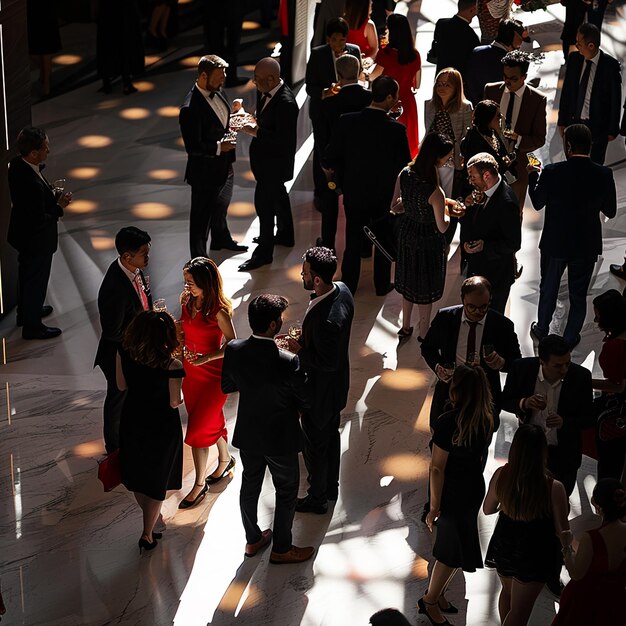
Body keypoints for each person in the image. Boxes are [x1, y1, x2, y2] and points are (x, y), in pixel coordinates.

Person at [221, 294, 314, 564]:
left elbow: (227, 386)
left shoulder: (235, 349)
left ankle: (253, 540)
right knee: (286, 491)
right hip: (280, 436)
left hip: (249, 432)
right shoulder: (287, 361)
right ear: (273, 325)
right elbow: (305, 399)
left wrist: (254, 386)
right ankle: (282, 548)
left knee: (249, 487)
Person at [528, 124, 617, 349]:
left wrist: (532, 177)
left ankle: (542, 329)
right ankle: (570, 337)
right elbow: (611, 211)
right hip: (586, 244)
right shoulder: (604, 174)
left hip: (555, 242)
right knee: (578, 294)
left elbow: (537, 203)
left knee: (548, 289)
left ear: (568, 146)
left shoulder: (552, 171)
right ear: (590, 145)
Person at [419, 365, 494, 626]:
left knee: (450, 553)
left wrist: (434, 507)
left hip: (452, 494)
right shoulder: (486, 419)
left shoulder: (448, 421)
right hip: (472, 490)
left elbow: (437, 467)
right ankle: (436, 596)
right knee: (452, 549)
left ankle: (429, 600)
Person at [323, 75, 411, 295]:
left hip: (354, 191)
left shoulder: (346, 121)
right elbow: (405, 166)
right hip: (383, 195)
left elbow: (329, 157)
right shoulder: (396, 130)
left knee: (353, 238)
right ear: (389, 97)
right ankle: (381, 285)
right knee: (382, 237)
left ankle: (349, 285)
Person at [285, 247, 354, 514]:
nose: (301, 275)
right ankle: (330, 486)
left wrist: (298, 350)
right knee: (330, 438)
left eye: (304, 272)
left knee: (315, 445)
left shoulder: (327, 320)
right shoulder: (343, 289)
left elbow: (326, 362)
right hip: (336, 388)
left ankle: (317, 498)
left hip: (320, 393)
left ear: (316, 279)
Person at [484, 424, 570, 626]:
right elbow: (562, 531)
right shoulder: (553, 487)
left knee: (507, 593)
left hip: (505, 542)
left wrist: (508, 503)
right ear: (542, 452)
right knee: (521, 612)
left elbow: (488, 509)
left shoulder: (501, 475)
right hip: (535, 552)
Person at [116, 311, 184, 553]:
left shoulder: (123, 353)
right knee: (157, 478)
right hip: (161, 426)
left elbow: (121, 385)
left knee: (137, 475)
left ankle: (153, 522)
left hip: (132, 419)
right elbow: (175, 401)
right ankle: (147, 534)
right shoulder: (172, 365)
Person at [421, 276, 521, 431]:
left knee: (481, 439)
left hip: (484, 393)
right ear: (462, 300)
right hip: (450, 388)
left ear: (490, 300)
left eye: (483, 307)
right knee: (441, 434)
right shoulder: (445, 318)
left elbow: (516, 363)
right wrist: (438, 367)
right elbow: (428, 348)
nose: (477, 312)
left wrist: (501, 363)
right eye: (471, 307)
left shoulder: (502, 325)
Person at [177, 257, 236, 509]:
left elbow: (233, 344)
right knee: (208, 421)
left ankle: (199, 485)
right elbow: (183, 329)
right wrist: (178, 348)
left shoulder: (219, 312)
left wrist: (207, 357)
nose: (186, 286)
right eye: (186, 281)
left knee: (198, 431)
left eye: (191, 282)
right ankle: (225, 459)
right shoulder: (186, 301)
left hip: (212, 375)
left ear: (205, 282)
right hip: (191, 375)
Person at [501, 335, 593, 497]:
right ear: (542, 362)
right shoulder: (521, 369)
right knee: (526, 499)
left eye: (568, 363)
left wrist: (564, 422)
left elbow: (588, 418)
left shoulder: (581, 376)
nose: (564, 370)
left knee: (559, 503)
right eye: (558, 366)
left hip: (564, 454)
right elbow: (505, 400)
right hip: (529, 451)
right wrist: (524, 403)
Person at [179, 55, 247, 259]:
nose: (223, 79)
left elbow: (220, 123)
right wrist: (219, 147)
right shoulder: (190, 109)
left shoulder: (218, 91)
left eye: (224, 74)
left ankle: (221, 239)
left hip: (225, 166)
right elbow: (193, 148)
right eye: (219, 75)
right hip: (204, 173)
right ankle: (199, 259)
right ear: (203, 76)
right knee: (201, 220)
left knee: (220, 208)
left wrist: (234, 115)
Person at [8, 126, 71, 341]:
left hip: (22, 236)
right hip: (37, 240)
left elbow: (30, 206)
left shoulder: (17, 165)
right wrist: (59, 205)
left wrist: (48, 195)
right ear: (33, 153)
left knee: (26, 276)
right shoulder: (32, 183)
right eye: (45, 148)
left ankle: (25, 313)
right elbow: (40, 219)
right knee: (36, 280)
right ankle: (32, 326)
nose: (48, 151)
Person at [95, 227, 152, 453]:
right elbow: (112, 331)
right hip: (118, 354)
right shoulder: (114, 288)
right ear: (127, 256)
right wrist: (142, 340)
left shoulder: (134, 269)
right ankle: (114, 448)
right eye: (144, 254)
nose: (148, 258)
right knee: (117, 399)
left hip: (136, 349)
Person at [238, 58, 299, 271]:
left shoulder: (286, 103)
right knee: (279, 197)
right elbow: (264, 117)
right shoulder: (266, 90)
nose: (255, 83)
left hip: (274, 164)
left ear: (272, 79)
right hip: (266, 162)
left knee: (264, 207)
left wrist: (253, 131)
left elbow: (282, 140)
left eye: (258, 79)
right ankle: (285, 234)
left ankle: (264, 254)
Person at [394, 133, 452, 340]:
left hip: (407, 233)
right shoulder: (436, 193)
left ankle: (406, 326)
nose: (448, 160)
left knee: (409, 282)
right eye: (447, 157)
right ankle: (424, 332)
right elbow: (443, 227)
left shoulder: (405, 173)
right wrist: (448, 211)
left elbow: (395, 206)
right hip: (428, 240)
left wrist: (411, 207)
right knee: (425, 288)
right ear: (437, 158)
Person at [553, 477, 626, 626]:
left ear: (598, 507)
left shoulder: (592, 538)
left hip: (586, 601)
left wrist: (566, 547)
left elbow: (576, 573)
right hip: (616, 600)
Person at [317, 55, 372, 250]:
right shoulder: (371, 99)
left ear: (338, 76)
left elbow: (322, 139)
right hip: (364, 161)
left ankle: (328, 246)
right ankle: (365, 245)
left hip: (337, 161)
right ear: (358, 73)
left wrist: (324, 165)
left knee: (330, 206)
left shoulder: (329, 104)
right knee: (362, 206)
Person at [306, 17, 361, 207]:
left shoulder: (354, 51)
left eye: (342, 40)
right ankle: (321, 194)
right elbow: (309, 88)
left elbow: (358, 78)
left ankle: (344, 188)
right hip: (322, 113)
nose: (338, 44)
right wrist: (327, 92)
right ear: (328, 39)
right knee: (322, 151)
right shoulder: (317, 54)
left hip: (345, 111)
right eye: (334, 39)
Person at [484, 49, 547, 212]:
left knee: (513, 214)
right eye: (505, 77)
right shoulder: (490, 90)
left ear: (524, 76)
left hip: (518, 170)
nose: (507, 82)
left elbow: (540, 138)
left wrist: (518, 139)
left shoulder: (537, 100)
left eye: (513, 78)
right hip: (488, 166)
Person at [460, 152, 521, 313]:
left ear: (486, 175)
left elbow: (514, 243)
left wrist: (484, 247)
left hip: (496, 277)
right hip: (478, 270)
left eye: (473, 177)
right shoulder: (483, 192)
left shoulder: (506, 202)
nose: (470, 181)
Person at [557, 23, 621, 165]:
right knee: (572, 164)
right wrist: (562, 121)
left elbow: (615, 100)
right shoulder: (574, 60)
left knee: (596, 165)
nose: (576, 46)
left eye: (579, 43)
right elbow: (567, 92)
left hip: (598, 127)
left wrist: (612, 129)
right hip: (575, 123)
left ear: (591, 45)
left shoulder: (610, 66)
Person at [373, 13, 422, 157]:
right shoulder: (415, 55)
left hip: (388, 103)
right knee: (409, 144)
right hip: (408, 103)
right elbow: (417, 84)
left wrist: (363, 73)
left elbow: (374, 75)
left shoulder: (385, 54)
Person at [590, 290, 626, 481]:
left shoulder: (616, 347)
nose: (596, 321)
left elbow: (617, 386)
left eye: (598, 316)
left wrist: (583, 381)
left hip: (618, 412)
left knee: (610, 462)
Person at [424, 68, 473, 198]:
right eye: (439, 84)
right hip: (431, 159)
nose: (442, 88)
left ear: (456, 87)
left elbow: (466, 137)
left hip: (453, 161)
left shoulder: (465, 107)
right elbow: (427, 133)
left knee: (450, 196)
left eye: (447, 85)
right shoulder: (429, 105)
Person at [466, 18, 526, 106]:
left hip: (474, 104)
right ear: (512, 37)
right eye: (520, 38)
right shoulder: (509, 62)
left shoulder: (477, 51)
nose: (521, 43)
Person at [94, 0, 145, 95]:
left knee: (107, 42)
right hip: (124, 9)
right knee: (125, 41)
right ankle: (126, 82)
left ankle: (107, 81)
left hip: (107, 9)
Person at [428, 0, 479, 85]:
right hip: (458, 81)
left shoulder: (441, 24)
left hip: (440, 77)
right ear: (472, 9)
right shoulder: (471, 35)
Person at [460, 99, 512, 179]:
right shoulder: (474, 140)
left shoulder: (493, 132)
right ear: (488, 118)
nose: (501, 118)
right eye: (498, 116)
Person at [203, 0, 248, 87]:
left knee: (215, 42)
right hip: (232, 6)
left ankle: (215, 79)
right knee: (232, 43)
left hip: (213, 7)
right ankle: (230, 78)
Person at [26, 0, 62, 98]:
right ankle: (45, 73)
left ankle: (46, 82)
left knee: (45, 45)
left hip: (45, 8)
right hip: (32, 8)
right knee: (34, 46)